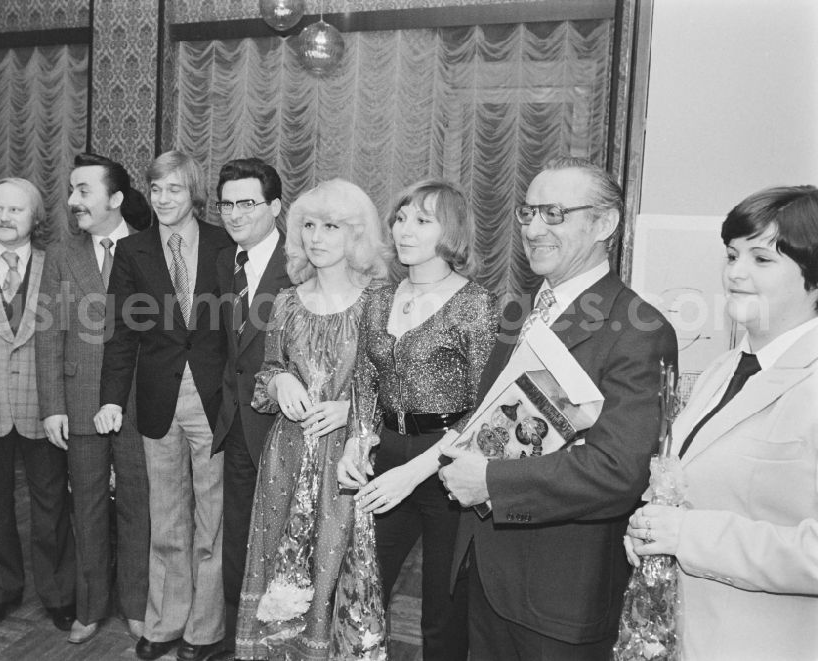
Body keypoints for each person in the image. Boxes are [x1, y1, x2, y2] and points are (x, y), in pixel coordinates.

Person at [440, 157, 677, 660]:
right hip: (484, 574)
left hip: (558, 596)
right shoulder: (519, 310)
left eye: (554, 213)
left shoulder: (638, 328)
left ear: (605, 224)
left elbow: (617, 472)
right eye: (527, 213)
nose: (533, 229)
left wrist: (491, 482)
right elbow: (492, 419)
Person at [625, 185, 818, 661]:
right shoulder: (722, 369)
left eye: (761, 260)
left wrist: (686, 536)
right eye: (732, 256)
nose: (736, 274)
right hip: (682, 638)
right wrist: (648, 526)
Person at [337, 179, 498, 660]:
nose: (405, 230)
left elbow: (485, 407)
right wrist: (357, 439)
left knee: (443, 612)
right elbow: (365, 376)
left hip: (449, 466)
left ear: (450, 231)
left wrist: (420, 468)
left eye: (422, 221)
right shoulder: (379, 298)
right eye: (401, 218)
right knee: (364, 588)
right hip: (386, 457)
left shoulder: (476, 303)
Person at [236, 178, 390, 659]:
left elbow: (398, 388)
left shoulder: (380, 302)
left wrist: (351, 409)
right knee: (277, 567)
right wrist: (281, 382)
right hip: (285, 457)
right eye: (308, 226)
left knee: (337, 567)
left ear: (357, 235)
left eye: (331, 227)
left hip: (347, 461)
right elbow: (268, 372)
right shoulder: (285, 302)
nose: (317, 237)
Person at [95, 150, 232, 661]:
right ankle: (165, 622)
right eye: (156, 190)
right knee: (167, 519)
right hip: (158, 402)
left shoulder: (224, 244)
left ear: (193, 192)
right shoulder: (133, 253)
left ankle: (205, 630)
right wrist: (111, 398)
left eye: (174, 189)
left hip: (215, 401)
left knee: (211, 522)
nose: (164, 199)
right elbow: (121, 334)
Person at [35, 153, 152, 643]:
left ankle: (137, 606)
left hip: (137, 403)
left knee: (137, 507)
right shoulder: (63, 254)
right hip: (79, 401)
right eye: (71, 191)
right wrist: (52, 406)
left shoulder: (152, 250)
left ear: (116, 199)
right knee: (85, 507)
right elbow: (48, 333)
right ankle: (90, 607)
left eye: (83, 190)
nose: (71, 200)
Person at [0, 177, 75, 631]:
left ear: (36, 219)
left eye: (16, 210)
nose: (5, 218)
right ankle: (0, 590)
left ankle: (58, 594)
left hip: (43, 405)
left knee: (51, 506)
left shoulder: (56, 265)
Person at [209, 157, 292, 661]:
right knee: (238, 538)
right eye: (226, 204)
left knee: (286, 538)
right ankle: (238, 641)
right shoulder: (224, 262)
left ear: (275, 207)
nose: (235, 214)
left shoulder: (302, 261)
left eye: (247, 203)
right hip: (236, 424)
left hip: (287, 426)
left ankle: (282, 644)